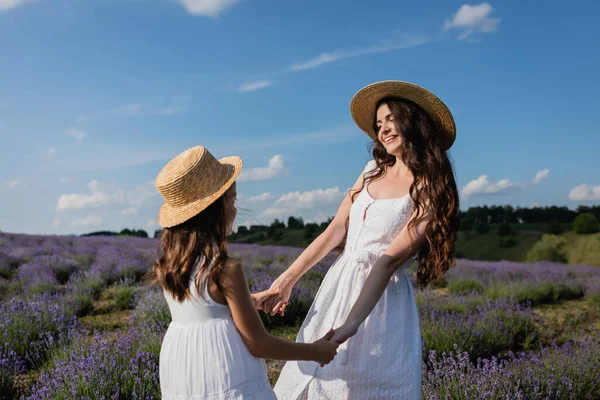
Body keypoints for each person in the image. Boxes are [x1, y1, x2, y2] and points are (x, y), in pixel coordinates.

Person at [260, 81, 460, 399]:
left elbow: (389, 260)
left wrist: (353, 323)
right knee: (311, 381)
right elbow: (335, 230)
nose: (383, 129)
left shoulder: (430, 188)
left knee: (363, 384)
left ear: (414, 121)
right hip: (337, 288)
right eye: (378, 124)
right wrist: (285, 281)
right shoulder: (371, 171)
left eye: (390, 119)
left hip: (381, 303)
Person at [148, 146, 340, 400]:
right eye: (232, 200)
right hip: (224, 369)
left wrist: (249, 301)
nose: (236, 209)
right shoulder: (226, 269)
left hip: (185, 368)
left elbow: (204, 311)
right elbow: (259, 343)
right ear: (215, 209)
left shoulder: (170, 266)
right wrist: (315, 351)